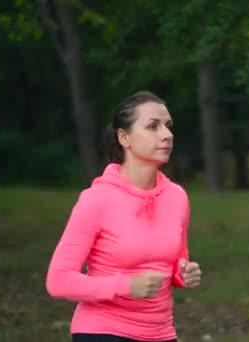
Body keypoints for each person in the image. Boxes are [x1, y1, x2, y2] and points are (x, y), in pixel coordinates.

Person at [45, 90, 202, 342]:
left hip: (161, 333)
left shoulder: (177, 197)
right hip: (104, 331)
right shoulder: (97, 199)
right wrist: (125, 286)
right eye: (153, 126)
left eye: (168, 126)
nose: (167, 134)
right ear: (124, 138)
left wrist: (183, 274)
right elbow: (58, 281)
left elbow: (175, 263)